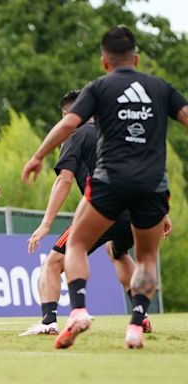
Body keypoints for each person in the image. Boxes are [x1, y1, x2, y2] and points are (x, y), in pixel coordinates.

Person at [22, 26, 188, 349]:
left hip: (109, 185)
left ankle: (79, 310)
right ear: (136, 58)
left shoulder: (99, 88)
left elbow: (69, 123)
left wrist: (39, 155)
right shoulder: (160, 88)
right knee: (146, 257)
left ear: (104, 62)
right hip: (152, 187)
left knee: (77, 245)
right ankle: (136, 324)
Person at [20, 90, 171, 336]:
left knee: (53, 263)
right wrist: (162, 213)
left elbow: (64, 181)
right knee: (117, 251)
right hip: (136, 212)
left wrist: (46, 223)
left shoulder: (76, 134)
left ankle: (49, 321)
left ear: (69, 114)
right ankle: (140, 314)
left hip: (103, 210)